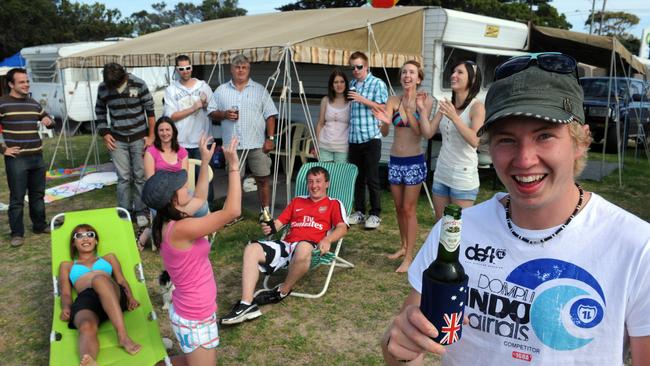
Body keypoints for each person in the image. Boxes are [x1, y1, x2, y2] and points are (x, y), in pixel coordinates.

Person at [381, 53, 650, 365]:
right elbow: (405, 348)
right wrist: (395, 347)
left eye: (544, 136)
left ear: (580, 141)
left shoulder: (637, 248)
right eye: (507, 140)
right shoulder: (455, 233)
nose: (524, 160)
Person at [142, 135, 241, 365]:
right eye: (181, 185)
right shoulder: (181, 228)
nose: (185, 185)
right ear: (173, 198)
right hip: (194, 315)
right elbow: (232, 211)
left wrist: (205, 161)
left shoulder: (170, 219)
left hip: (193, 310)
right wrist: (234, 167)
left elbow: (200, 197)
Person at [220, 166, 349, 325]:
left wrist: (328, 240)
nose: (314, 186)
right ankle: (246, 304)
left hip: (310, 248)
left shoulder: (334, 204)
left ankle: (283, 291)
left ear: (327, 184)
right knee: (251, 249)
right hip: (286, 245)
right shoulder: (297, 201)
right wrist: (270, 227)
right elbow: (278, 224)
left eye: (318, 181)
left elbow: (342, 228)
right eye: (310, 182)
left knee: (302, 247)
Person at [372, 60, 435, 273]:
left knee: (409, 209)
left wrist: (411, 109)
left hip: (414, 162)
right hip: (395, 161)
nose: (407, 75)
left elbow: (420, 132)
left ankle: (409, 258)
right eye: (404, 72)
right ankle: (403, 246)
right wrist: (383, 121)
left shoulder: (425, 101)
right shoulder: (392, 99)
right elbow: (385, 132)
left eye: (411, 72)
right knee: (398, 208)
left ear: (418, 78)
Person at [59, 224, 141, 366]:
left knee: (99, 280)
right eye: (79, 236)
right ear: (74, 243)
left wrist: (130, 297)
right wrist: (66, 307)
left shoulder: (108, 258)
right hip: (87, 300)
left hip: (112, 294)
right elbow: (66, 293)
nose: (85, 238)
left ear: (96, 240)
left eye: (90, 235)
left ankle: (123, 337)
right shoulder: (67, 266)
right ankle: (89, 360)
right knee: (85, 325)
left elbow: (121, 280)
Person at [208, 54, 278, 215]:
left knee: (262, 178)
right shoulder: (221, 90)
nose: (241, 70)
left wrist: (270, 138)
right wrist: (224, 114)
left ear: (249, 69)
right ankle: (235, 212)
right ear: (231, 69)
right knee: (234, 180)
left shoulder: (259, 90)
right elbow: (211, 112)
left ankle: (265, 212)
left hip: (257, 143)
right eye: (237, 67)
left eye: (244, 67)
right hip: (232, 145)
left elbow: (271, 115)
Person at [96, 62, 155, 229]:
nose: (115, 87)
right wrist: (105, 133)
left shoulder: (139, 84)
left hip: (139, 138)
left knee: (140, 176)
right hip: (117, 139)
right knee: (123, 178)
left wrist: (151, 136)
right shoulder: (103, 88)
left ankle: (141, 212)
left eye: (118, 84)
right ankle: (124, 212)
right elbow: (100, 111)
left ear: (124, 76)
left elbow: (150, 111)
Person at [0, 68, 54, 247]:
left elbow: (48, 119)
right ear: (11, 84)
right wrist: (3, 149)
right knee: (17, 198)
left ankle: (39, 225)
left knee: (37, 195)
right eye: (21, 82)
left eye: (27, 81)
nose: (26, 85)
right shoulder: (3, 103)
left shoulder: (33, 103)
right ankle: (17, 233)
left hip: (37, 157)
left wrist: (48, 121)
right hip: (17, 160)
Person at [429, 60, 485, 222]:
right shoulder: (448, 104)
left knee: (458, 228)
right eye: (453, 72)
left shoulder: (477, 107)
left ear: (472, 80)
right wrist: (422, 110)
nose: (453, 75)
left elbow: (475, 140)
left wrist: (454, 117)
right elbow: (429, 132)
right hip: (442, 172)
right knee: (440, 224)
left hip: (463, 176)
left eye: (460, 72)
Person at [163, 55, 215, 205]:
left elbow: (213, 109)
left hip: (202, 141)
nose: (185, 71)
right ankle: (184, 206)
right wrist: (193, 108)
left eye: (187, 68)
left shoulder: (203, 86)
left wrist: (205, 105)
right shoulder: (171, 90)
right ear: (177, 70)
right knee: (182, 179)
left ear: (192, 67)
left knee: (205, 176)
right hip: (181, 142)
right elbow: (171, 116)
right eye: (181, 69)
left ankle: (207, 207)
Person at [346, 51, 388, 229]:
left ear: (367, 66)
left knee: (372, 178)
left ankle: (375, 213)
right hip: (354, 138)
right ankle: (360, 211)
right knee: (358, 178)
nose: (356, 70)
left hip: (371, 137)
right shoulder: (352, 83)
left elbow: (384, 107)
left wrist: (362, 99)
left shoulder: (377, 83)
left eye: (359, 66)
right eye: (353, 67)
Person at [315, 69, 350, 163]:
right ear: (331, 85)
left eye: (342, 82)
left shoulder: (351, 102)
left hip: (342, 146)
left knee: (339, 175)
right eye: (336, 82)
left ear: (346, 83)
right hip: (324, 145)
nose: (339, 85)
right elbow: (320, 124)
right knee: (325, 175)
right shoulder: (325, 100)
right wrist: (317, 144)